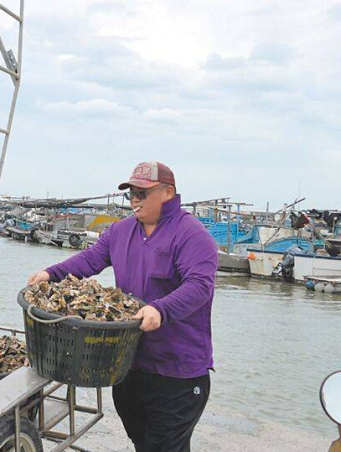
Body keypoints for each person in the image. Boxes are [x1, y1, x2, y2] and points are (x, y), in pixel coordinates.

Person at [27, 161, 217, 452]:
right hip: (127, 362)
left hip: (178, 370)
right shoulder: (120, 231)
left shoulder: (191, 234)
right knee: (141, 440)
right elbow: (89, 261)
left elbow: (199, 286)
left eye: (142, 193)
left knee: (166, 445)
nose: (135, 201)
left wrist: (161, 309)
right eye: (131, 194)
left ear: (168, 192)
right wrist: (50, 274)